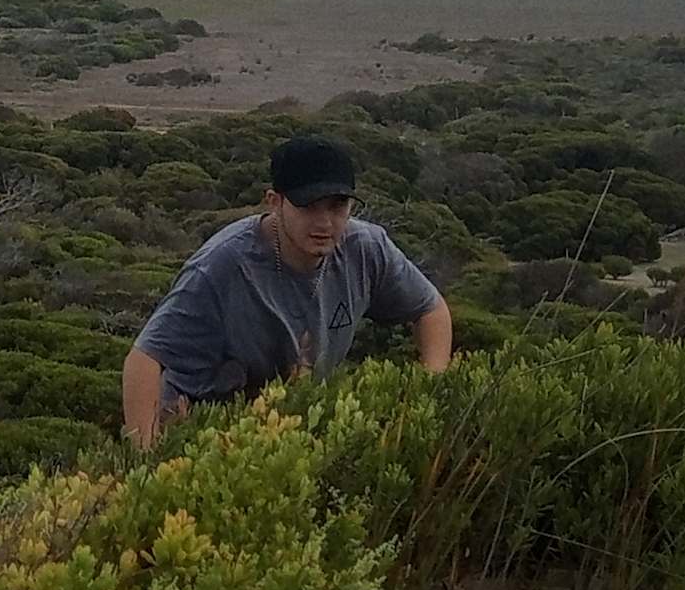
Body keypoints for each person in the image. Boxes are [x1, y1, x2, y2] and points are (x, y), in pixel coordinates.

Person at [119, 132, 453, 450]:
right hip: (199, 429)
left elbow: (431, 310)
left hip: (293, 426)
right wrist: (146, 459)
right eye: (309, 206)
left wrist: (429, 394)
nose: (325, 223)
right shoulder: (222, 265)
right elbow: (144, 359)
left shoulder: (366, 249)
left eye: (337, 206)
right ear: (274, 202)